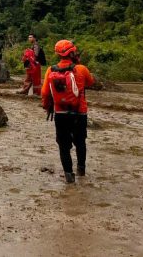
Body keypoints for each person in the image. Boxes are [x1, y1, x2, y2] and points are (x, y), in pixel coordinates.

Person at [42, 40, 95, 183]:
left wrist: (47, 107)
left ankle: (69, 176)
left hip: (60, 113)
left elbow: (45, 93)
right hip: (80, 112)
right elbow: (90, 82)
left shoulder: (50, 70)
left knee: (64, 146)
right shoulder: (82, 69)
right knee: (80, 142)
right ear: (72, 53)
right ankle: (81, 170)